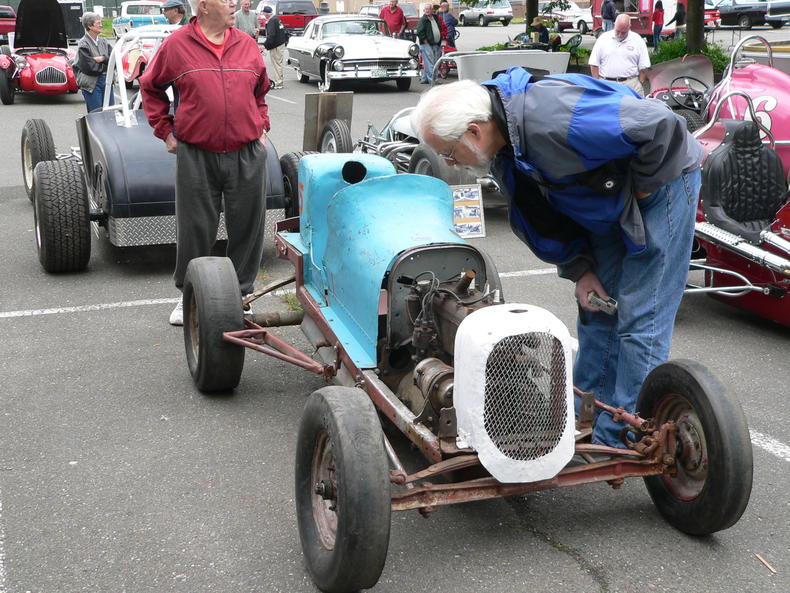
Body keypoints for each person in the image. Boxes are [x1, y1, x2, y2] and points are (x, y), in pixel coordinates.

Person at [409, 73, 703, 449]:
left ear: (474, 131)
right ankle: (585, 422)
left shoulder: (558, 120)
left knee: (641, 316)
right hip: (608, 193)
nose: (450, 161)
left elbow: (662, 126)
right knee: (599, 308)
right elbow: (543, 216)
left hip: (660, 181)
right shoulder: (507, 146)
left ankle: (626, 436)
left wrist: (643, 191)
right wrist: (581, 269)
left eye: (449, 152)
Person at [139, 0, 271, 326]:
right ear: (203, 6)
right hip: (196, 152)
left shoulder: (246, 44)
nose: (233, 4)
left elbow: (260, 91)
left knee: (248, 227)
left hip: (246, 152)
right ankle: (192, 295)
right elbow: (150, 87)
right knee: (195, 228)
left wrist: (262, 126)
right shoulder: (177, 45)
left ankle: (241, 295)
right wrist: (165, 131)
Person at [589, 14, 650, 96]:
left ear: (629, 27)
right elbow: (594, 63)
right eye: (617, 31)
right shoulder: (603, 38)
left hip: (631, 84)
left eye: (624, 32)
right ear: (614, 25)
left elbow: (644, 66)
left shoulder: (638, 40)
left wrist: (640, 82)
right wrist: (597, 84)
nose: (620, 35)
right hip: (606, 84)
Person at [74, 12, 114, 113]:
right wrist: (107, 65)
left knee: (110, 113)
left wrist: (102, 59)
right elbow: (90, 67)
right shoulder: (83, 44)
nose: (101, 25)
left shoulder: (104, 41)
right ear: (89, 26)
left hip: (107, 81)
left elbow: (114, 60)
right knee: (96, 115)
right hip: (91, 84)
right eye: (98, 23)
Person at [416, 3, 446, 84]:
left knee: (433, 62)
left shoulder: (435, 18)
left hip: (436, 44)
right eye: (426, 9)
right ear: (424, 10)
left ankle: (425, 78)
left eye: (429, 9)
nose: (427, 11)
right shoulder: (423, 20)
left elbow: (440, 28)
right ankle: (433, 80)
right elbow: (419, 32)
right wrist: (426, 42)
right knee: (430, 63)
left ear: (432, 10)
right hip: (426, 44)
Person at [262, 5, 287, 89]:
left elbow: (271, 35)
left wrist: (264, 45)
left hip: (276, 46)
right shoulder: (277, 19)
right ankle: (279, 81)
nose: (264, 15)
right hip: (281, 44)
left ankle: (278, 82)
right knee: (278, 63)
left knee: (276, 64)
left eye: (264, 13)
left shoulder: (272, 21)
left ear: (266, 13)